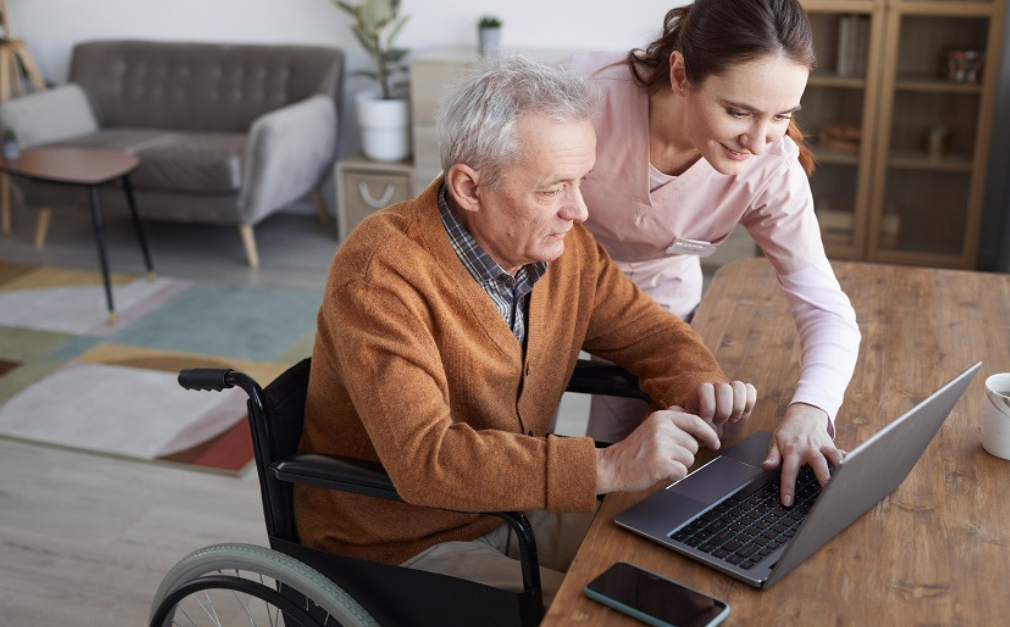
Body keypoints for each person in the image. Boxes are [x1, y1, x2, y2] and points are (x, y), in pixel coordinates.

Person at [293, 55, 756, 606]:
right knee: (615, 612)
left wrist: (700, 383)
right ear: (470, 187)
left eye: (582, 181)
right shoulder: (381, 273)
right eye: (553, 189)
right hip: (401, 540)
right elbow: (426, 461)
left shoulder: (563, 251)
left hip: (512, 508)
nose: (579, 210)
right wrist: (606, 465)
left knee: (689, 561)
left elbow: (646, 332)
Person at [560, 0, 861, 508]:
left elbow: (826, 309)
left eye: (782, 116)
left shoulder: (772, 168)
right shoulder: (582, 98)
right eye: (739, 111)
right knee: (516, 425)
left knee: (629, 461)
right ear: (680, 74)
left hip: (655, 303)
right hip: (544, 277)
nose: (759, 140)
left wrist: (812, 409)